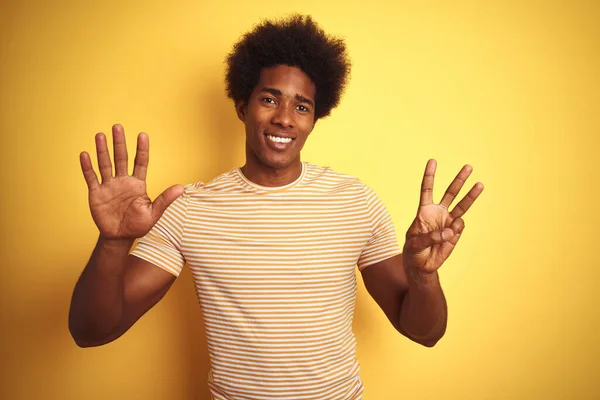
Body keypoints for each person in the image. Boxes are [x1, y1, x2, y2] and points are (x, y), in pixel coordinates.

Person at [69, 14, 484, 400]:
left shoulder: (354, 201)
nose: (285, 118)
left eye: (301, 107)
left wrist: (423, 276)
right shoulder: (189, 208)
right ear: (242, 107)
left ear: (313, 119)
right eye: (270, 99)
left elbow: (424, 332)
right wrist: (113, 243)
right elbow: (91, 331)